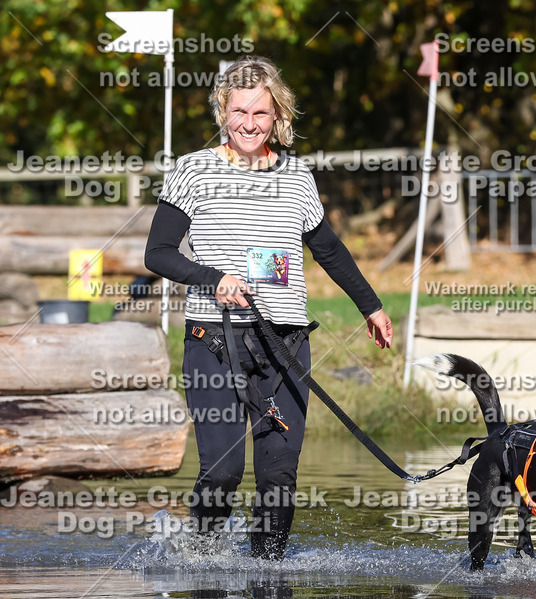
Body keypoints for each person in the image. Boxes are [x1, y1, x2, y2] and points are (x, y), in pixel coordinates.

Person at [145, 56, 393, 560]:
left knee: (279, 473)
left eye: (261, 113)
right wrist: (213, 278)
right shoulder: (193, 170)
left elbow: (328, 249)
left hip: (285, 342)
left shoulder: (298, 176)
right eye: (239, 111)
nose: (249, 124)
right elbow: (159, 254)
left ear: (278, 115)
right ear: (222, 110)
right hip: (214, 341)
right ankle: (202, 560)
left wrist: (371, 306)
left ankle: (269, 575)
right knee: (223, 470)